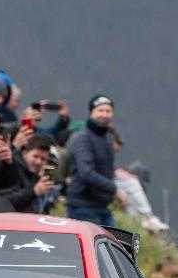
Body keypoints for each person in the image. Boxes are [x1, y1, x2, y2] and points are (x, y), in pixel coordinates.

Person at [67, 94, 119, 227]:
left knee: (114, 239)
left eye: (108, 111)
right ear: (91, 112)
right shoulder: (82, 138)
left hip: (102, 206)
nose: (104, 115)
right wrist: (114, 188)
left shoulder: (107, 138)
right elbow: (86, 173)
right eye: (100, 110)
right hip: (83, 207)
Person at [16, 133, 58, 214]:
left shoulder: (37, 173)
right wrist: (34, 191)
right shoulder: (14, 169)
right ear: (25, 153)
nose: (38, 162)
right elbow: (10, 201)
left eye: (43, 159)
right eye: (35, 156)